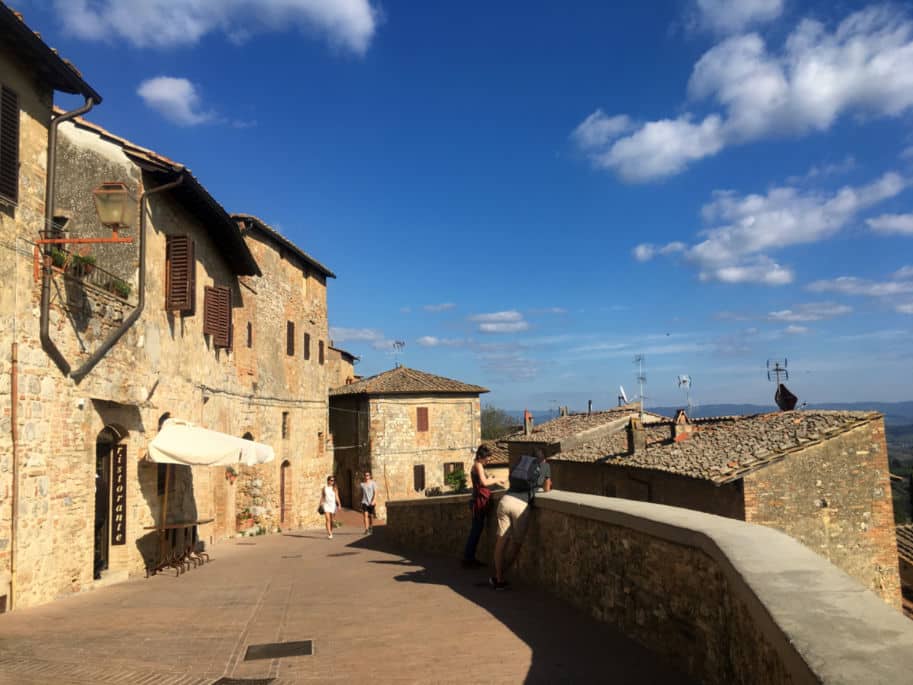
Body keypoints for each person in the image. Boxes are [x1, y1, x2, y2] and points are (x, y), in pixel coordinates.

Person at [490, 447, 551, 590]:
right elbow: (547, 488)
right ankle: (502, 575)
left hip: (505, 500)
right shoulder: (545, 466)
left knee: (501, 541)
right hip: (521, 506)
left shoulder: (524, 464)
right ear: (545, 458)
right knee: (516, 544)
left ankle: (498, 577)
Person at [462, 445, 505, 568]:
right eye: (486, 458)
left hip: (477, 500)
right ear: (480, 457)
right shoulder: (478, 465)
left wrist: (490, 478)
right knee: (475, 531)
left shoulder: (477, 465)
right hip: (478, 501)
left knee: (476, 530)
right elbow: (484, 483)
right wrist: (497, 479)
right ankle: (468, 559)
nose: (488, 460)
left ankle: (469, 558)